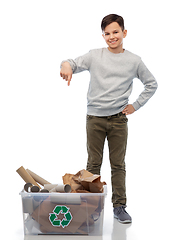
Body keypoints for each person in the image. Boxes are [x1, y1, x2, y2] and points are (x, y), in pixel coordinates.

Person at [60, 14, 158, 224]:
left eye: (115, 32)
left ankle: (119, 206)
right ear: (102, 35)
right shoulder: (95, 55)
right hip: (94, 118)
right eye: (107, 33)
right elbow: (71, 63)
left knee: (118, 165)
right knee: (93, 164)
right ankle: (91, 207)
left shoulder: (134, 61)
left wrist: (135, 105)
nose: (111, 37)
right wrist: (66, 66)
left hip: (118, 120)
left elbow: (151, 84)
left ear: (124, 33)